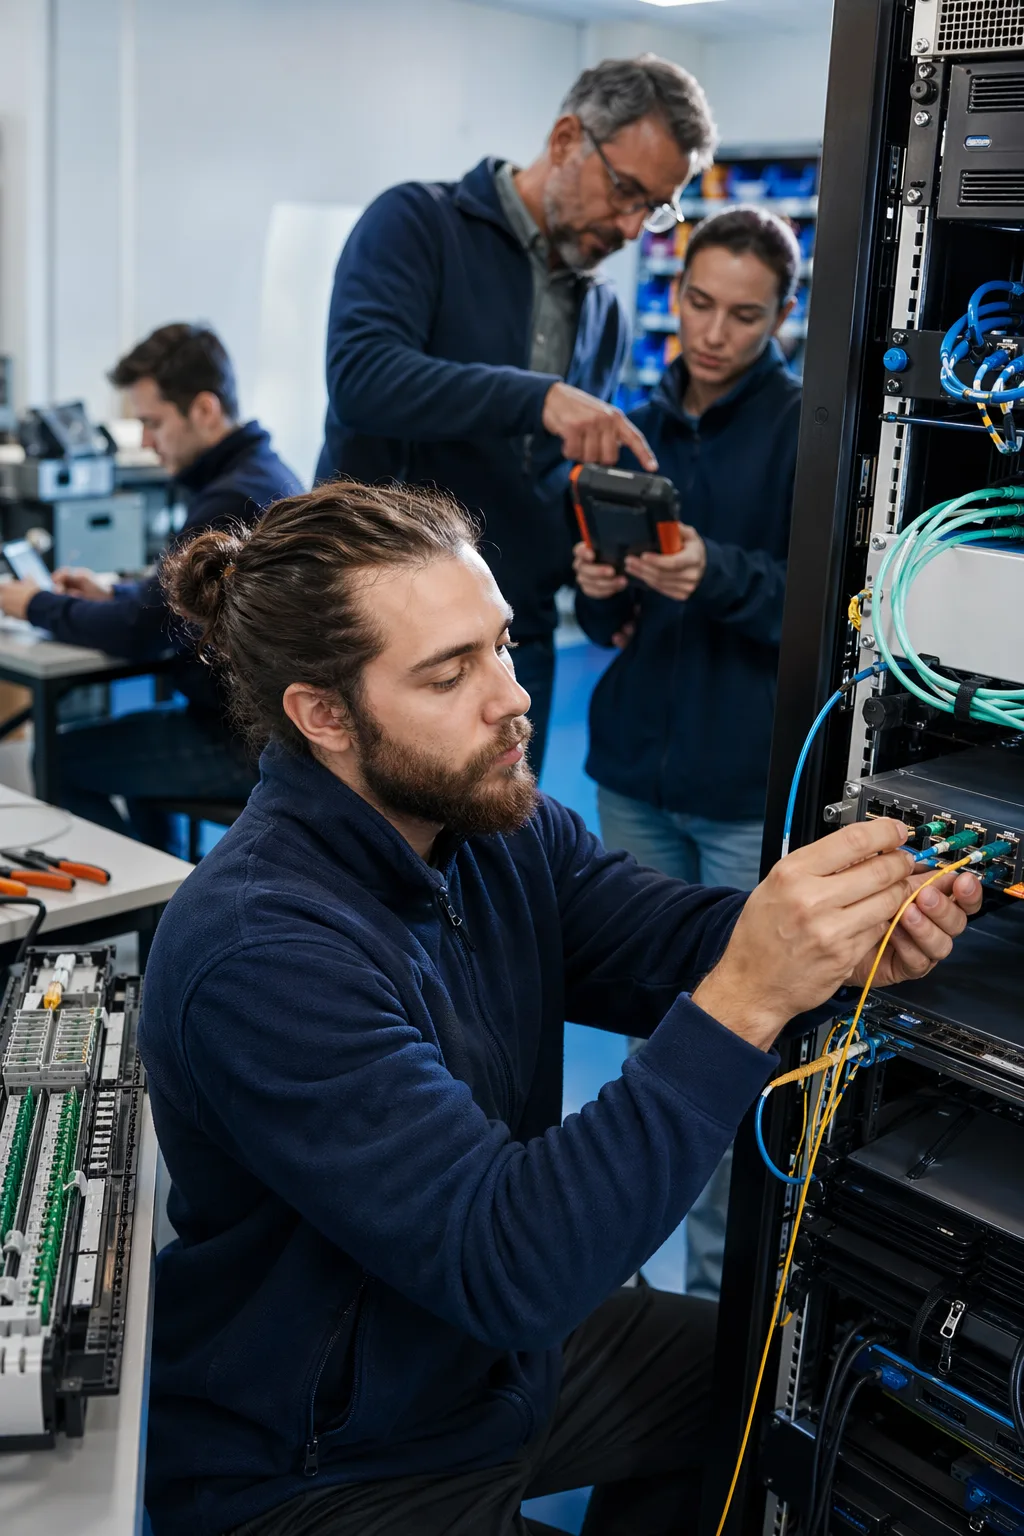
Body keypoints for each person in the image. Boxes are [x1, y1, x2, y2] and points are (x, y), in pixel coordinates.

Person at [139, 479, 980, 1536]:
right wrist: (750, 994)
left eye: (499, 644)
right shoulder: (262, 953)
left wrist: (837, 939)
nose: (512, 696)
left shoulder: (489, 826)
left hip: (484, 1372)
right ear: (321, 715)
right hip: (327, 1461)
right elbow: (513, 1264)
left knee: (765, 1380)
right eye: (450, 674)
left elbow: (672, 942)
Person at [315, 55, 718, 771]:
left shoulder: (604, 310)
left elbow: (550, 475)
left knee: (496, 840)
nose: (631, 227)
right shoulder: (417, 223)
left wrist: (600, 557)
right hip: (379, 615)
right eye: (624, 190)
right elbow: (362, 377)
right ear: (566, 139)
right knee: (361, 840)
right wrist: (537, 398)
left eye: (652, 207)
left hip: (510, 630)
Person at [573, 207, 803, 1299]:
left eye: (744, 314)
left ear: (782, 316)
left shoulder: (812, 428)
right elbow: (599, 629)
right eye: (698, 303)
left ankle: (713, 1311)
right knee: (646, 1042)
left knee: (734, 1052)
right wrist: (596, 588)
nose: (713, 332)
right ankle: (641, 1304)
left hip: (734, 788)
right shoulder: (634, 420)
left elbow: (821, 611)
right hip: (633, 777)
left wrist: (715, 575)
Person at [0, 324, 301, 844]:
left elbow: (141, 631)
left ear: (204, 410)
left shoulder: (231, 499)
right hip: (262, 729)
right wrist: (112, 594)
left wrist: (34, 604)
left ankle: (144, 903)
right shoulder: (258, 473)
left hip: (245, 744)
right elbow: (173, 607)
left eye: (152, 423)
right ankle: (163, 898)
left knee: (59, 756)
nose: (143, 441)